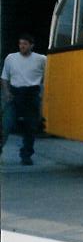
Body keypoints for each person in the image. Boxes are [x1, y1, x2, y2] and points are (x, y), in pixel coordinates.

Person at [1, 33, 47, 165]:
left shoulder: (41, 59)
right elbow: (4, 77)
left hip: (31, 94)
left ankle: (26, 155)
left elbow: (49, 75)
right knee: (6, 124)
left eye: (25, 44)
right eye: (20, 44)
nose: (22, 46)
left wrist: (42, 93)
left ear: (31, 46)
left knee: (30, 127)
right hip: (15, 93)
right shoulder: (11, 58)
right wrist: (7, 92)